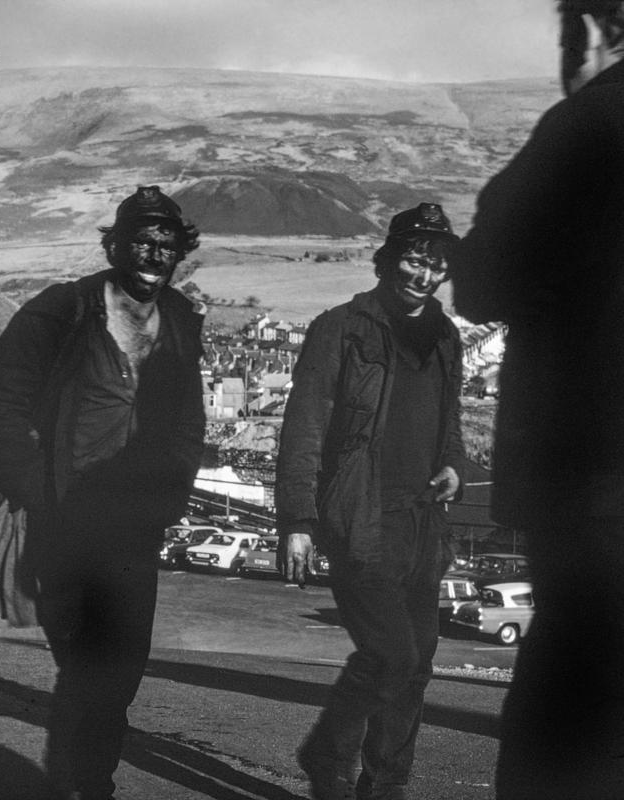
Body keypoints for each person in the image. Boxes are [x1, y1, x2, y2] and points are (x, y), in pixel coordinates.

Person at [0, 185, 206, 800]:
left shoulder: (181, 320)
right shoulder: (63, 310)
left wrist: (173, 488)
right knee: (84, 666)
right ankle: (84, 786)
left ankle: (86, 784)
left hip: (135, 524)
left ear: (179, 252)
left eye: (166, 245)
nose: (153, 254)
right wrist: (34, 489)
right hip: (62, 523)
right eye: (141, 241)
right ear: (116, 244)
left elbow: (188, 420)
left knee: (120, 669)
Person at [450, 4, 624, 796]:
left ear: (589, 26)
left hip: (592, 475)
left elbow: (482, 279)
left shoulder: (585, 126)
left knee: (567, 709)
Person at [276, 203, 465, 800]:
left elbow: (451, 423)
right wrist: (297, 520)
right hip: (361, 519)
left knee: (416, 667)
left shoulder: (446, 336)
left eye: (434, 264)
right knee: (391, 655)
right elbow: (304, 424)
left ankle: (385, 787)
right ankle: (327, 752)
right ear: (389, 260)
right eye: (413, 259)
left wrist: (454, 466)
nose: (423, 273)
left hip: (423, 524)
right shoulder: (342, 327)